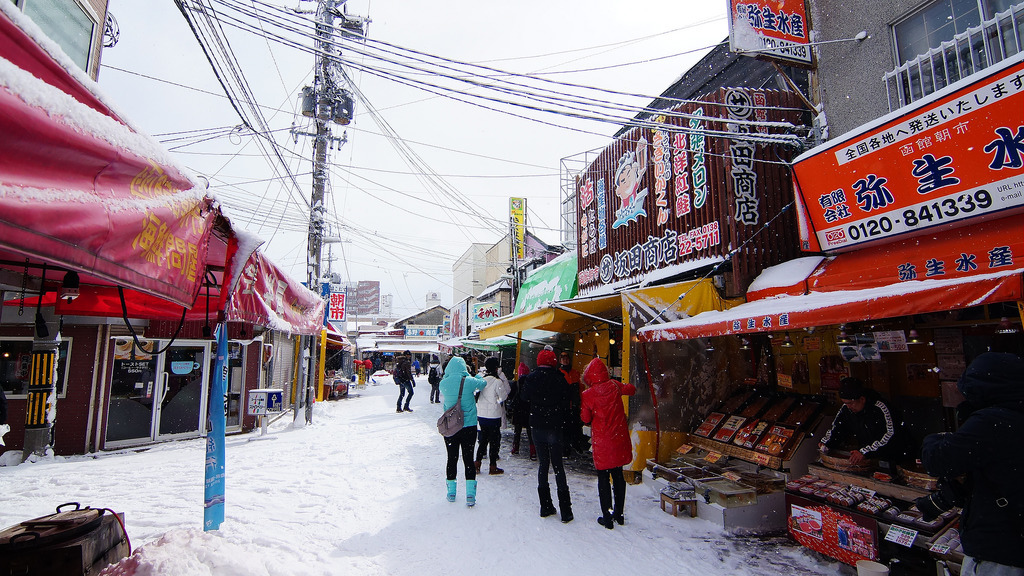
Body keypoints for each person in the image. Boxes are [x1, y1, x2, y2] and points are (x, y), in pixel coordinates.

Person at [919, 352, 1024, 574]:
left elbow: (938, 459)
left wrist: (935, 438)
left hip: (999, 549)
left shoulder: (993, 421)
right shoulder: (1013, 416)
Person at [580, 357, 636, 529]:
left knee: (603, 478)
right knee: (618, 476)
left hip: (603, 442)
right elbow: (631, 390)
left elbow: (585, 418)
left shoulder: (587, 395)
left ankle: (607, 515)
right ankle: (619, 514)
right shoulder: (614, 386)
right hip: (618, 438)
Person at [520, 348, 574, 523]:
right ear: (553, 361)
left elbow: (524, 397)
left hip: (537, 425)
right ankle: (565, 510)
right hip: (554, 426)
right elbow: (567, 399)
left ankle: (545, 505)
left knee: (543, 464)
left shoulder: (532, 378)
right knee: (558, 465)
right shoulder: (559, 378)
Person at [819, 377, 908, 466]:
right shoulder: (846, 409)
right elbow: (838, 428)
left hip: (893, 458)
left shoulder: (881, 408)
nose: (848, 406)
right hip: (868, 460)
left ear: (862, 399)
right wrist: (828, 443)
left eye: (850, 403)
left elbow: (890, 435)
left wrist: (865, 452)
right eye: (845, 403)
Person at [439, 356, 488, 506]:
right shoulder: (469, 382)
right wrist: (476, 375)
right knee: (468, 458)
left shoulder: (443, 384)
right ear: (463, 368)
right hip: (469, 426)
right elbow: (483, 383)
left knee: (451, 458)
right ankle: (470, 495)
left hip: (451, 427)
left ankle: (451, 493)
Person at [475, 357, 511, 475]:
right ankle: (492, 466)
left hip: (481, 415)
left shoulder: (481, 380)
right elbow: (504, 396)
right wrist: (497, 400)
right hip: (494, 416)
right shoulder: (497, 382)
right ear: (496, 368)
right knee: (494, 441)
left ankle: (477, 464)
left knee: (483, 440)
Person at [560, 350, 588, 455]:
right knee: (565, 428)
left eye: (566, 358)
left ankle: (576, 445)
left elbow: (581, 390)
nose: (565, 360)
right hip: (564, 406)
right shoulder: (559, 373)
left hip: (575, 405)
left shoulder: (575, 373)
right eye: (563, 358)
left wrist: (582, 403)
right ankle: (566, 448)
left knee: (575, 427)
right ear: (560, 360)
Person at [509, 363, 536, 460]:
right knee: (530, 432)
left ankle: (515, 448)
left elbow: (510, 395)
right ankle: (533, 451)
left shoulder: (516, 384)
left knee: (517, 430)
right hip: (528, 409)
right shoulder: (531, 383)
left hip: (518, 410)